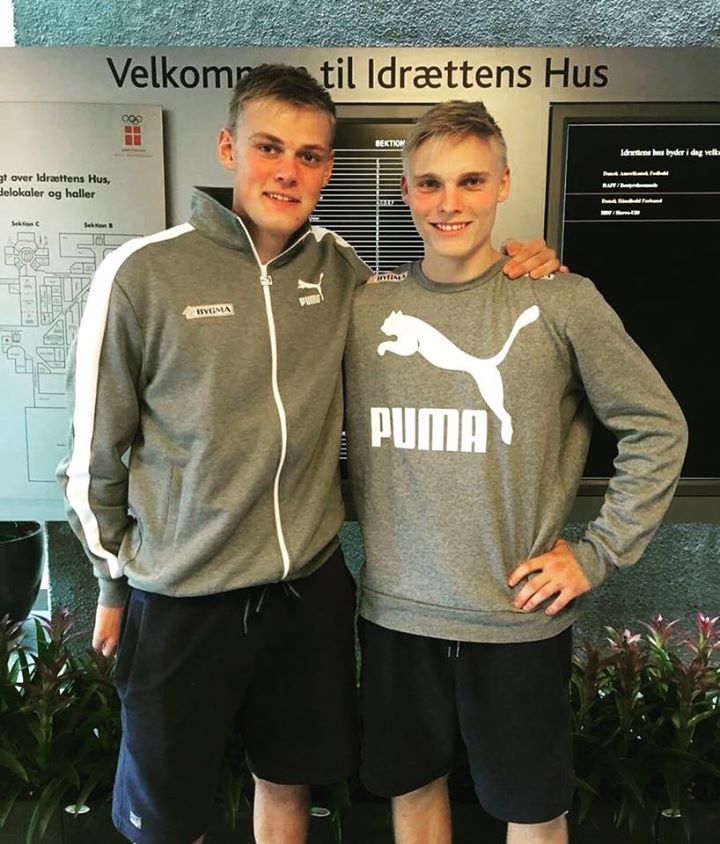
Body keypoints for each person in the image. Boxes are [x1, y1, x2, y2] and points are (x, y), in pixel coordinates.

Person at [57, 66, 562, 844]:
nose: (288, 171)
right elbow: (94, 454)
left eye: (311, 155)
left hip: (306, 595)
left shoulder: (341, 272)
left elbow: (436, 314)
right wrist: (116, 580)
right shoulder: (142, 274)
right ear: (229, 148)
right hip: (183, 599)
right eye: (269, 147)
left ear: (328, 168)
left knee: (289, 785)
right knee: (166, 821)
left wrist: (527, 272)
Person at [344, 100, 688, 844]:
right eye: (430, 183)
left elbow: (658, 426)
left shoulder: (561, 300)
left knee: (532, 812)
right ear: (406, 192)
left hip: (516, 620)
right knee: (412, 792)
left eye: (470, 181)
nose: (449, 203)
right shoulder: (365, 311)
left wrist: (597, 553)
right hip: (396, 616)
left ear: (503, 183)